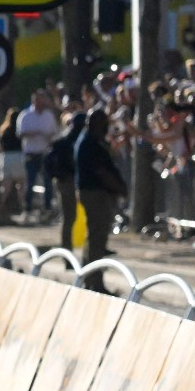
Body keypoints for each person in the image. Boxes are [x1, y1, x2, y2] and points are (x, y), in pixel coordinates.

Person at [75, 108, 127, 293]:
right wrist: (119, 188)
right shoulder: (90, 144)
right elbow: (102, 172)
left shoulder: (92, 142)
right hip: (95, 194)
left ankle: (88, 279)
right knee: (97, 240)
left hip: (94, 193)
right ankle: (95, 283)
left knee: (94, 238)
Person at [17, 91, 60, 218]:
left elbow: (55, 133)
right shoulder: (25, 115)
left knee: (48, 182)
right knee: (30, 182)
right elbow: (20, 133)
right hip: (31, 153)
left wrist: (48, 136)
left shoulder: (49, 116)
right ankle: (28, 208)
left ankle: (47, 208)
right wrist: (34, 133)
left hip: (45, 153)